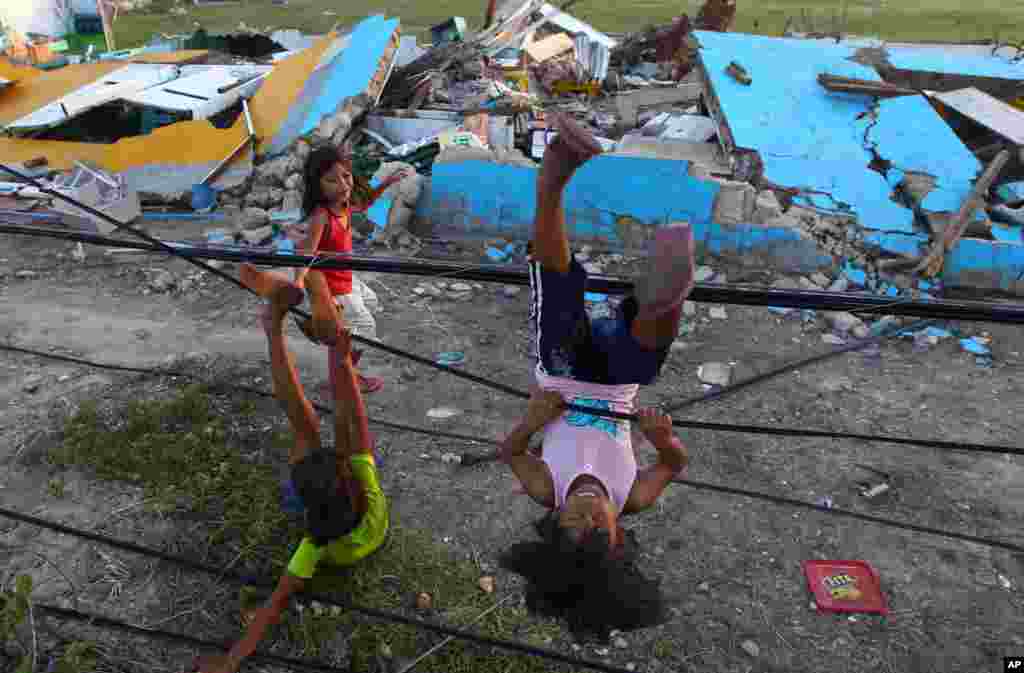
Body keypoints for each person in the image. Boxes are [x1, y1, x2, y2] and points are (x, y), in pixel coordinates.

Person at [498, 113, 694, 640]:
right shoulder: (634, 496)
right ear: (618, 537)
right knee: (642, 359)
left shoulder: (548, 489)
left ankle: (553, 178)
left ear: (554, 523)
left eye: (571, 523)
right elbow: (674, 464)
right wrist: (662, 439)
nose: (584, 510)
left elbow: (512, 452)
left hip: (561, 377)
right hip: (615, 388)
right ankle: (662, 300)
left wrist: (533, 418)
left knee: (559, 295)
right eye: (595, 526)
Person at [194, 265, 388, 673]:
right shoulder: (364, 486)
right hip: (331, 493)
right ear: (350, 483)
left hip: (322, 493)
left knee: (307, 428)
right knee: (333, 426)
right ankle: (291, 309)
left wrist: (231, 661)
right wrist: (339, 353)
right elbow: (349, 408)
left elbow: (272, 607)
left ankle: (274, 325)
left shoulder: (313, 544)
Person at [277, 146, 408, 394]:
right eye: (331, 180)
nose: (342, 184)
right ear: (317, 186)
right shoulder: (321, 215)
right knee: (364, 329)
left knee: (368, 305)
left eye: (345, 176)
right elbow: (306, 254)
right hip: (333, 286)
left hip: (346, 277)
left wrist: (387, 183)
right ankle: (344, 376)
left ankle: (341, 368)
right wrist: (299, 285)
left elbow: (365, 204)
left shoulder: (344, 205)